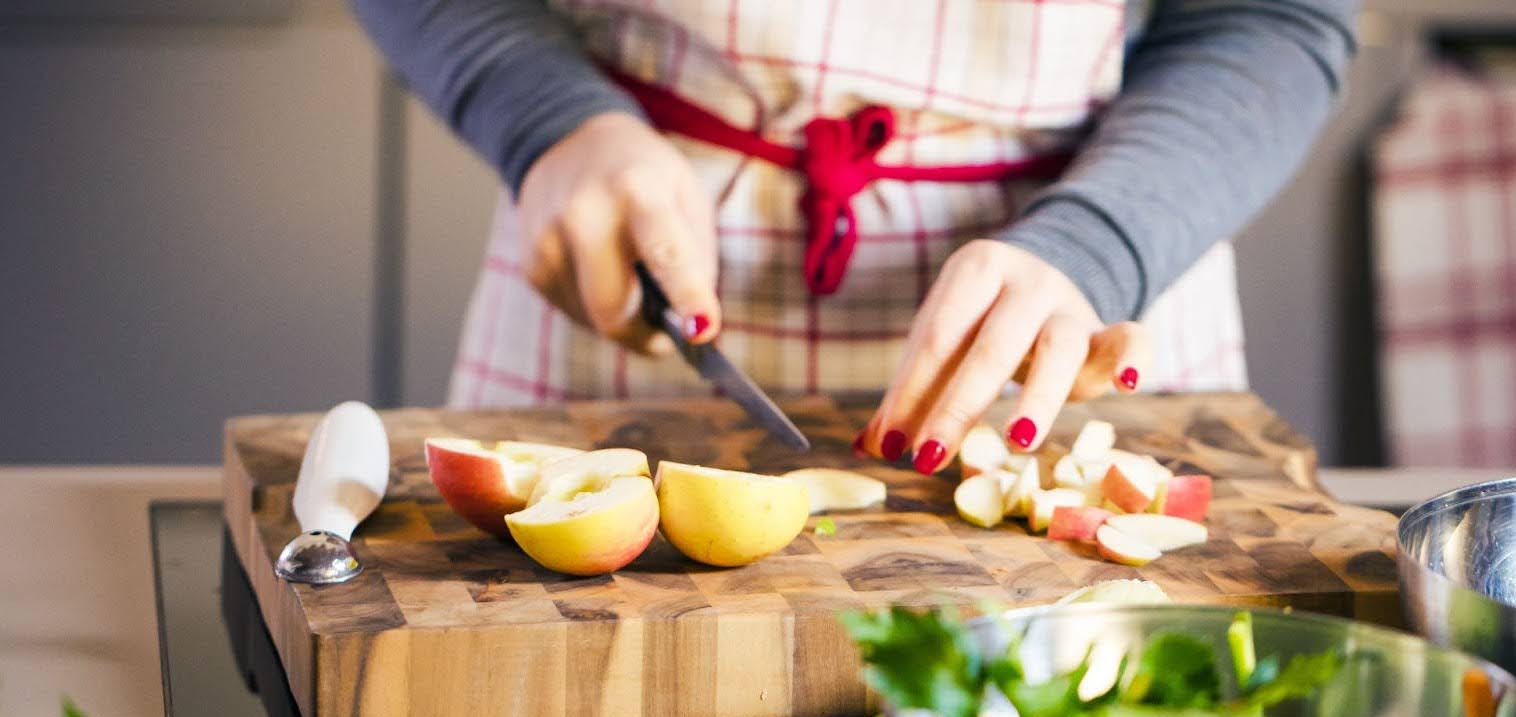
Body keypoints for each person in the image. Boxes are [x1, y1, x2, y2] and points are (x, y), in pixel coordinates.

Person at [353, 0, 1356, 474]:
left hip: (1078, 304)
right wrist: (544, 119)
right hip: (629, 247)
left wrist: (1098, 243)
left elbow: (1267, 16)